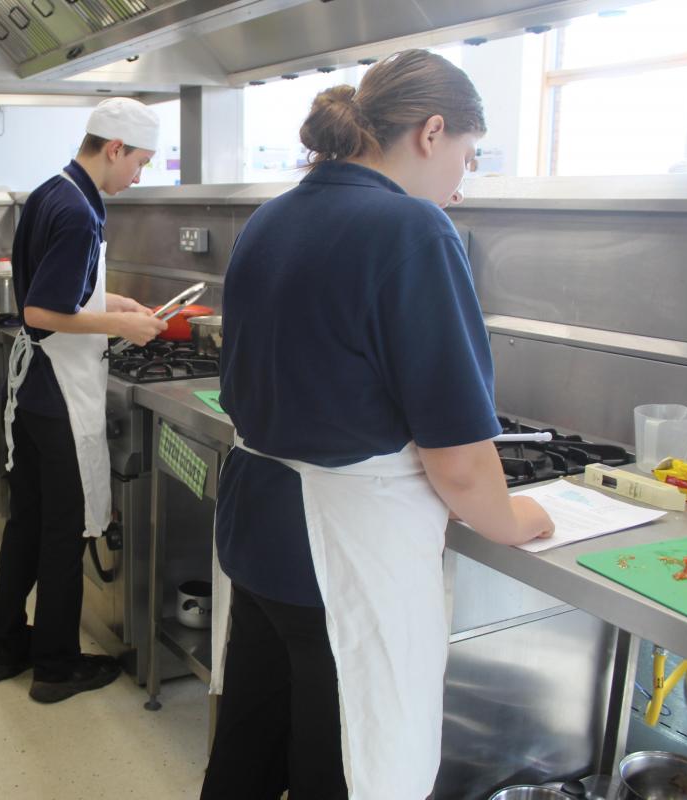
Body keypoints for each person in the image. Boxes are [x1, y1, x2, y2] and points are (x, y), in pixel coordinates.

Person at [200, 50, 555, 800]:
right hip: (344, 557)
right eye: (468, 154)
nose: (463, 182)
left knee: (251, 751)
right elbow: (458, 461)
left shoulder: (274, 215)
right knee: (346, 771)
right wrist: (514, 518)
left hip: (258, 532)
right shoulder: (413, 230)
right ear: (432, 132)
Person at [0, 98, 168, 704]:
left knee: (28, 523)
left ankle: (6, 645)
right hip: (58, 390)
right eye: (139, 162)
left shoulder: (51, 191)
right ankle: (57, 668)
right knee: (63, 533)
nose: (138, 175)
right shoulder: (80, 212)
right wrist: (122, 328)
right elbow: (40, 311)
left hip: (32, 391)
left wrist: (117, 305)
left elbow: (62, 288)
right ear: (114, 149)